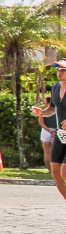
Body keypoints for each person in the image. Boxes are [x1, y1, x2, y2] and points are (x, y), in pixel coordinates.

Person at [47, 60, 66, 203]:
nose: (60, 73)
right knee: (55, 171)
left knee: (64, 172)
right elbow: (52, 109)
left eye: (63, 70)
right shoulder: (55, 88)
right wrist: (41, 112)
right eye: (58, 70)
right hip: (61, 135)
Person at [33, 95, 55, 173]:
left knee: (47, 152)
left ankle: (50, 169)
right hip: (56, 131)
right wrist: (53, 132)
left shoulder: (44, 111)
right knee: (55, 152)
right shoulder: (57, 112)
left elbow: (41, 123)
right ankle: (55, 169)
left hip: (46, 131)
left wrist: (49, 131)